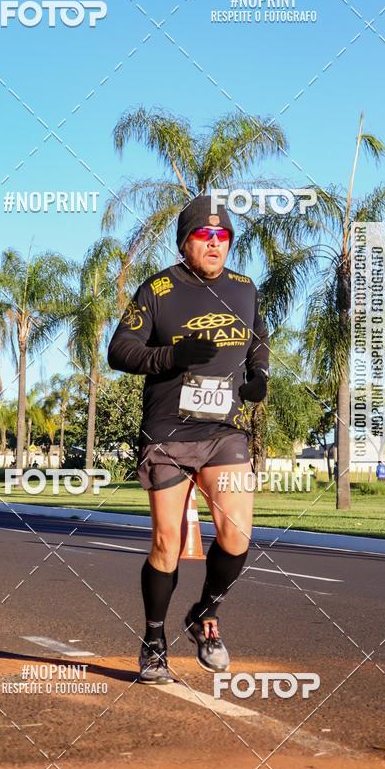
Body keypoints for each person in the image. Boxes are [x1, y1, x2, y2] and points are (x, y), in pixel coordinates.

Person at [108, 195, 269, 684]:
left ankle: (205, 614)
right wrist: (172, 355)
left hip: (224, 432)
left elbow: (259, 337)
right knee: (167, 542)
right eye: (205, 236)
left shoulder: (244, 288)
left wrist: (259, 373)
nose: (215, 244)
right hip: (168, 432)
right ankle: (154, 641)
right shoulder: (158, 289)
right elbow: (120, 350)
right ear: (185, 243)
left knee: (237, 535)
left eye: (223, 237)